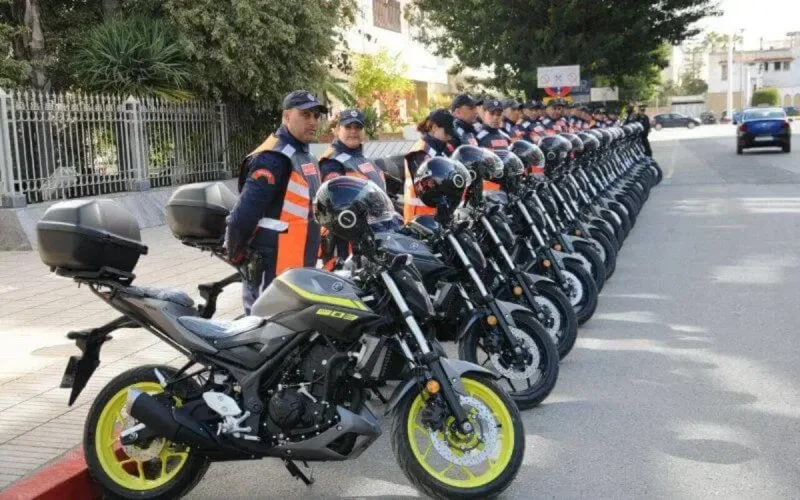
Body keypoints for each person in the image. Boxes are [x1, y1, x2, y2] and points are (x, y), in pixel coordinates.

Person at [226, 90, 327, 314]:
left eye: (315, 116)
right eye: (305, 115)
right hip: (271, 268)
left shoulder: (306, 157)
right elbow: (243, 216)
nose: (312, 122)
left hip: (297, 266)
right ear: (286, 116)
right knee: (263, 330)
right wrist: (235, 255)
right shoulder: (273, 157)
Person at [403, 108, 455, 221]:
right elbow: (427, 185)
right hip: (420, 218)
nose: (450, 136)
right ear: (434, 127)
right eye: (447, 131)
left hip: (440, 215)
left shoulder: (444, 149)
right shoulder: (420, 151)